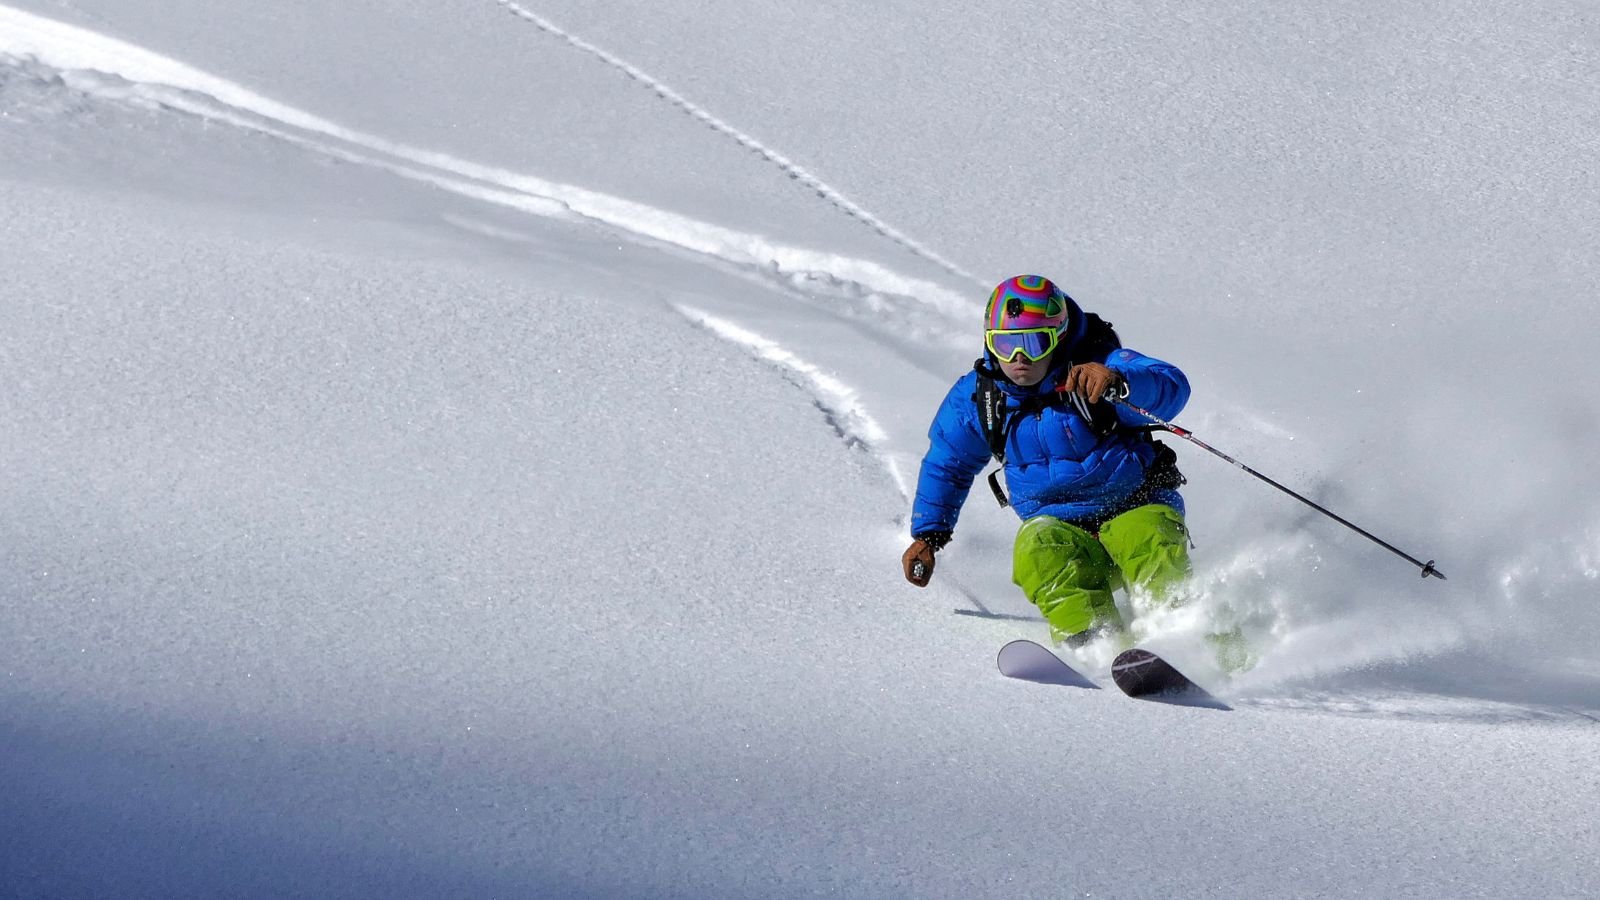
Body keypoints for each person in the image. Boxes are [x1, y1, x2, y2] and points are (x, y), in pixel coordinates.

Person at [901, 274, 1193, 648]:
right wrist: (929, 534)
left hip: (1134, 504)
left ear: (1056, 337)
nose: (1018, 359)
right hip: (1060, 527)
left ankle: (1182, 634)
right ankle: (1094, 642)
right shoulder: (980, 398)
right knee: (1037, 550)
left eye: (1033, 343)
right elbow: (948, 462)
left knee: (1148, 538)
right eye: (1005, 344)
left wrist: (1121, 381)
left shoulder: (1098, 366)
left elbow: (1171, 385)